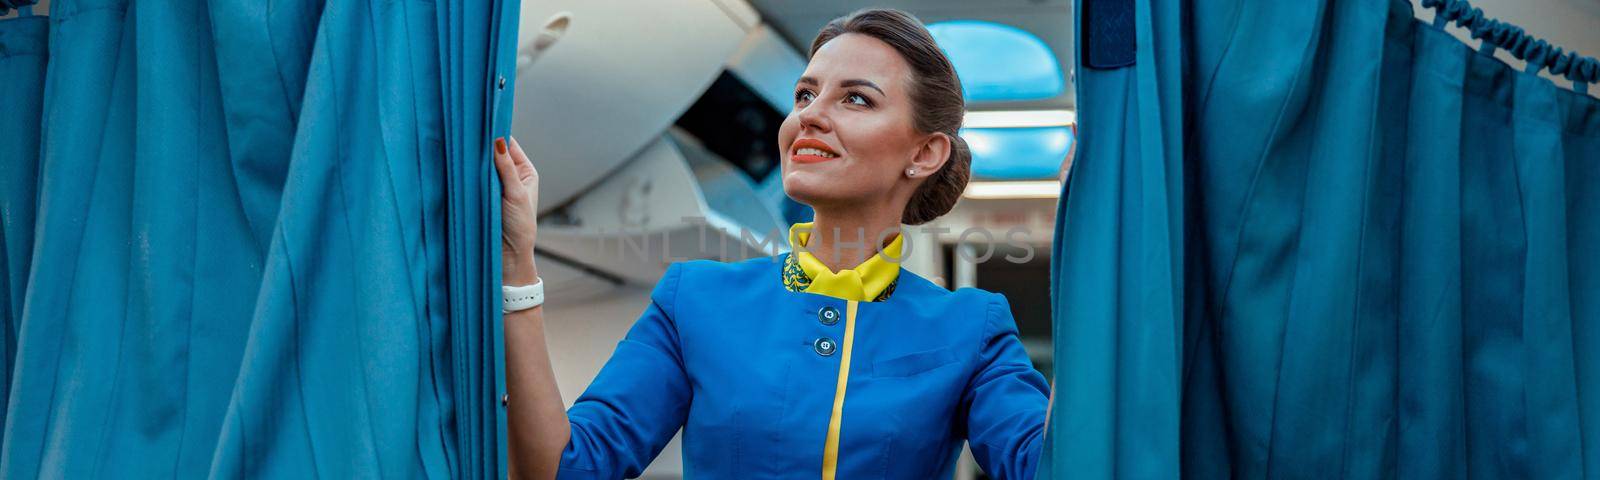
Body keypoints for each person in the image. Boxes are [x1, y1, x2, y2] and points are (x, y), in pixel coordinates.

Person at [494, 8, 1050, 479]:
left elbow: (1049, 466)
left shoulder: (969, 327)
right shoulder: (695, 300)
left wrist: (1094, 248)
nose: (809, 115)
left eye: (855, 99)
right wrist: (518, 266)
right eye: (805, 94)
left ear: (924, 154)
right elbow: (562, 466)